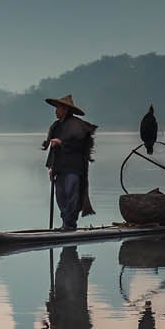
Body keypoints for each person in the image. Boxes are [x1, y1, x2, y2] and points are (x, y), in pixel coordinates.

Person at [42, 94, 97, 230]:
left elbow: (80, 145)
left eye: (58, 108)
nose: (56, 111)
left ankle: (69, 224)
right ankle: (66, 223)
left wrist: (62, 142)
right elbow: (52, 149)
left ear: (65, 110)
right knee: (60, 197)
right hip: (59, 168)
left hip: (74, 167)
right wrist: (50, 167)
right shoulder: (56, 126)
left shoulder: (77, 126)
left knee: (72, 196)